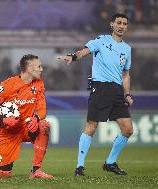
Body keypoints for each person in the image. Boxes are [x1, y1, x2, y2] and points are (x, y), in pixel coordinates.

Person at [57, 13, 133, 176]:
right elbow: (85, 51)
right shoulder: (101, 40)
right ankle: (79, 166)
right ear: (112, 24)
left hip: (118, 92)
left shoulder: (127, 49)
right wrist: (73, 56)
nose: (121, 26)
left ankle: (110, 162)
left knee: (127, 130)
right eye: (118, 22)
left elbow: (126, 74)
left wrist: (127, 94)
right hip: (100, 88)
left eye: (124, 24)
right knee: (91, 127)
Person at [0, 54, 52, 179]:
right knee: (3, 175)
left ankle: (36, 170)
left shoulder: (39, 84)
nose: (41, 69)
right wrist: (2, 119)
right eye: (39, 66)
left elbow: (43, 110)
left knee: (44, 126)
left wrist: (36, 118)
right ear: (29, 69)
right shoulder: (7, 85)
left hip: (26, 128)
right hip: (8, 132)